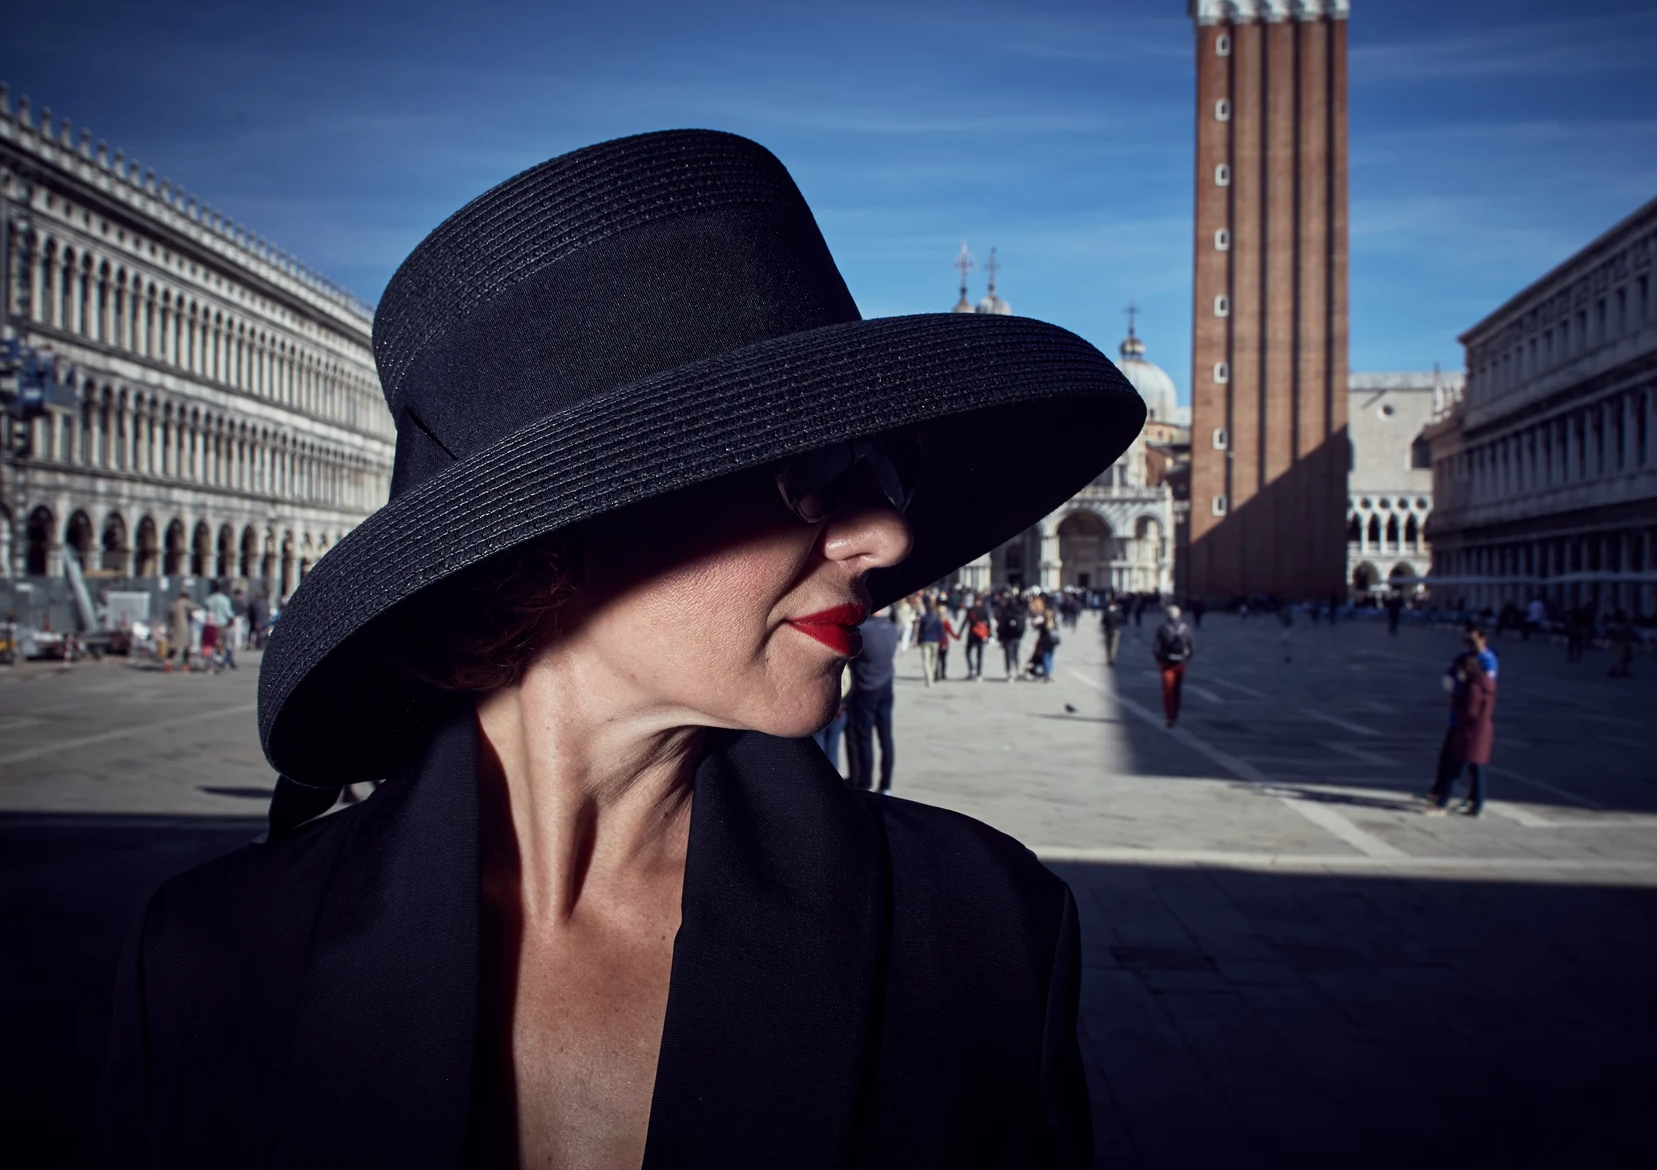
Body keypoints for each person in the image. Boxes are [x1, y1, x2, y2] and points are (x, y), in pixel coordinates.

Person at [96, 130, 1136, 1165]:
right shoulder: (217, 961)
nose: (892, 535)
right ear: (560, 521)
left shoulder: (977, 936)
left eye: (884, 471)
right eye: (813, 462)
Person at [1424, 638, 1497, 817]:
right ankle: (1476, 805)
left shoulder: (1473, 687)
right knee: (1475, 770)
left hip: (1470, 733)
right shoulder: (1486, 683)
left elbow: (1470, 712)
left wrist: (1455, 703)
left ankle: (1441, 804)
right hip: (1481, 732)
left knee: (1455, 769)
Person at [845, 608, 899, 794]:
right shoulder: (892, 628)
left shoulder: (864, 631)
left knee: (864, 738)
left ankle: (865, 781)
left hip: (866, 689)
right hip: (886, 686)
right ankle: (886, 785)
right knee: (886, 739)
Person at [1153, 604, 1194, 727]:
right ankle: (1175, 714)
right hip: (1181, 664)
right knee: (1177, 689)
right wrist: (1186, 660)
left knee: (1168, 691)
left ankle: (1169, 716)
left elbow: (1156, 648)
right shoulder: (1186, 629)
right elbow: (1191, 648)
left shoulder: (1162, 628)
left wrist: (1159, 660)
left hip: (1166, 664)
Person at [958, 596, 991, 681]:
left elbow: (965, 622)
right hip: (981, 635)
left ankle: (971, 669)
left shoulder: (971, 610)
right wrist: (989, 635)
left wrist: (960, 633)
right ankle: (979, 673)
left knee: (968, 652)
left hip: (972, 634)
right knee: (980, 654)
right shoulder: (984, 610)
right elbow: (988, 623)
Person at [915, 598, 945, 685]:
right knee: (933, 661)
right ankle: (931, 677)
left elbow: (920, 630)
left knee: (926, 661)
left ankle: (929, 679)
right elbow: (941, 631)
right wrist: (943, 642)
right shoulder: (937, 619)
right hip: (935, 641)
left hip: (925, 640)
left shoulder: (923, 618)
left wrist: (918, 640)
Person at [997, 596, 1027, 681]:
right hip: (1017, 636)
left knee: (1008, 655)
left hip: (1008, 637)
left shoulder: (1006, 612)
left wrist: (1000, 636)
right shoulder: (1020, 611)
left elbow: (1002, 626)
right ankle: (1018, 669)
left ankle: (1010, 672)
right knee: (1016, 654)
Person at [165, 591, 194, 672]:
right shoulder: (185, 604)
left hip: (174, 628)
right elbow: (194, 608)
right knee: (186, 647)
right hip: (184, 628)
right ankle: (185, 665)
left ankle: (168, 661)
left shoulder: (173, 605)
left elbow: (169, 618)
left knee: (174, 646)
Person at [1101, 597, 1127, 664]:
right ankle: (1112, 658)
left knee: (1108, 645)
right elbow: (1122, 620)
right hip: (1116, 630)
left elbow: (1103, 621)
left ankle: (1109, 658)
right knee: (1114, 646)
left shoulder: (1106, 612)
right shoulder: (1118, 612)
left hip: (1108, 630)